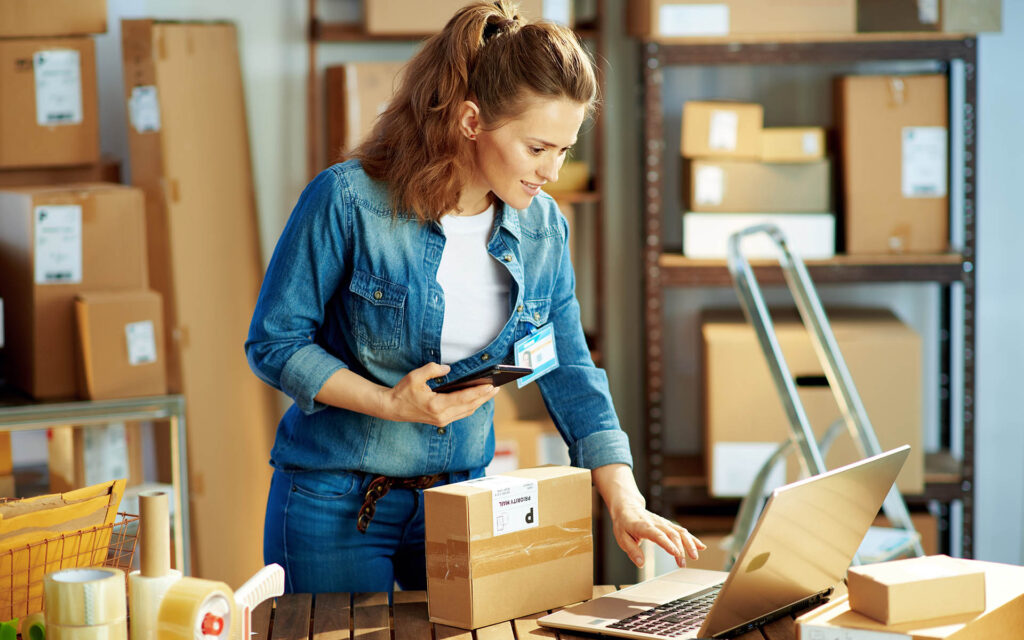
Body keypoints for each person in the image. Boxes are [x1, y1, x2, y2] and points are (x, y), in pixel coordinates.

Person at [245, 0, 705, 595]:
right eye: (537, 149)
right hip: (337, 503)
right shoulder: (349, 201)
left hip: (461, 504)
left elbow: (567, 366)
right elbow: (275, 343)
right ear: (470, 121)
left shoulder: (542, 229)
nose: (553, 172)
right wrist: (389, 403)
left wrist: (624, 499)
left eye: (564, 150)